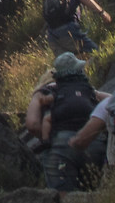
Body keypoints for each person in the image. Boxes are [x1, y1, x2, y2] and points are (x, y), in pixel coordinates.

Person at [28, 52, 106, 191]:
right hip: (94, 142)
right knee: (97, 190)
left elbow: (32, 124)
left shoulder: (44, 92)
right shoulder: (86, 89)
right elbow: (112, 100)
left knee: (65, 198)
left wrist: (47, 139)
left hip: (60, 148)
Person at [39, 0, 112, 55]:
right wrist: (102, 12)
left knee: (69, 63)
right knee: (96, 52)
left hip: (52, 35)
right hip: (69, 29)